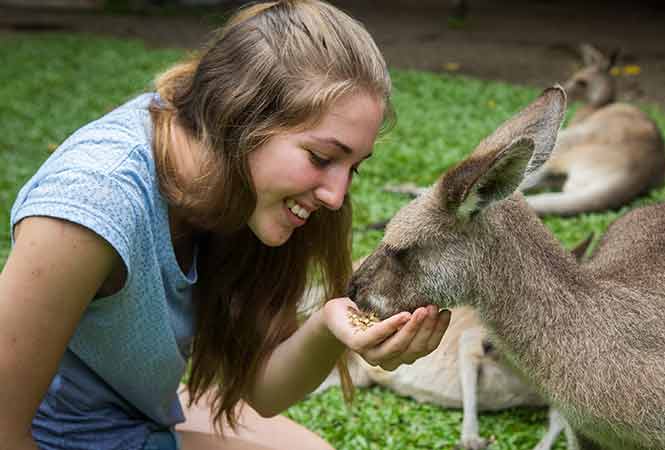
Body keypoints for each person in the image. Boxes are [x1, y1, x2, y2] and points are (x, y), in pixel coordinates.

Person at [0, 1, 452, 449]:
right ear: (238, 118)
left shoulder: (241, 190)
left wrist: (329, 324)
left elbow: (264, 390)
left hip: (136, 415)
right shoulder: (91, 203)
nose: (336, 197)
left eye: (353, 167)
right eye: (321, 157)